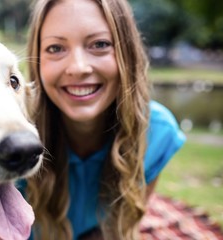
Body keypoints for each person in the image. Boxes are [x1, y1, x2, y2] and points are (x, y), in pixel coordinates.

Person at [19, 0, 186, 239]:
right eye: (55, 48)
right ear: (37, 60)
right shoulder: (16, 141)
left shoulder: (156, 133)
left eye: (99, 44)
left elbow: (123, 229)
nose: (78, 68)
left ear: (126, 53)